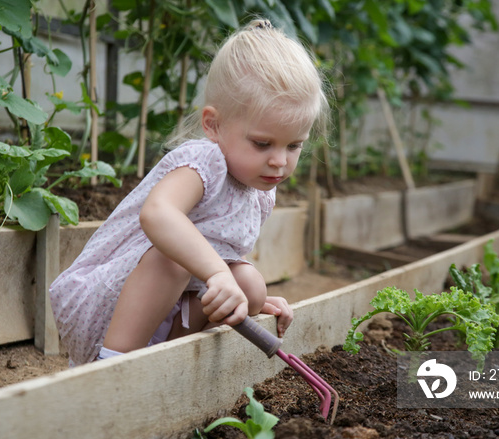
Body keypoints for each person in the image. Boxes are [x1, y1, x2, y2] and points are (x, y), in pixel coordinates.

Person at [49, 18, 329, 366]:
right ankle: (111, 370)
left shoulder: (259, 192)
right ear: (213, 124)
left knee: (251, 287)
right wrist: (217, 275)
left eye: (293, 146)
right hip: (106, 305)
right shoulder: (204, 161)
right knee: (173, 259)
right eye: (262, 143)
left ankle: (169, 366)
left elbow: (222, 264)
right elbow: (157, 214)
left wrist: (241, 293)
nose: (279, 161)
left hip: (169, 304)